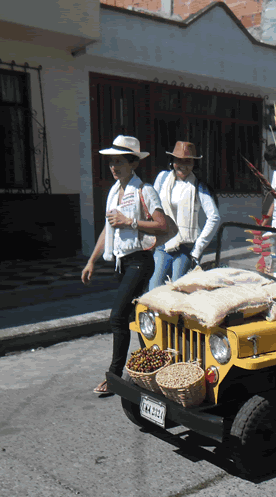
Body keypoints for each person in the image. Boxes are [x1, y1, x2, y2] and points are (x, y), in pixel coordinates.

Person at [82, 135, 167, 396]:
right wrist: (92, 260)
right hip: (122, 263)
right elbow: (108, 230)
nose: (114, 167)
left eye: (119, 161)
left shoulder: (145, 190)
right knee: (138, 321)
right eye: (111, 162)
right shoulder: (113, 192)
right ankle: (154, 371)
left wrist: (130, 222)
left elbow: (162, 225)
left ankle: (114, 376)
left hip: (140, 262)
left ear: (133, 164)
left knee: (117, 318)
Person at [148, 141, 219, 291]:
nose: (183, 165)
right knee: (154, 287)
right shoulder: (162, 179)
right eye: (179, 160)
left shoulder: (199, 187)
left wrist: (197, 249)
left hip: (186, 247)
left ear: (194, 164)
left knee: (178, 288)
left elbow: (214, 217)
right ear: (172, 161)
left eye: (188, 162)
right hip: (163, 244)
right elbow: (152, 207)